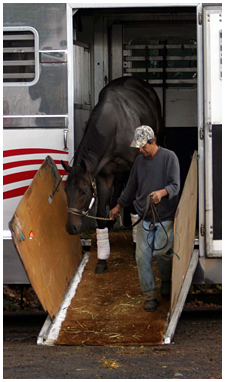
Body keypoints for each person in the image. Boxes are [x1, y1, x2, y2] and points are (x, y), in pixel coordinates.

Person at [109, 125, 180, 312]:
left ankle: (166, 279)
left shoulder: (169, 157)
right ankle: (150, 295)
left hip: (165, 216)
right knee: (142, 256)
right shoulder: (139, 163)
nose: (140, 150)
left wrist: (162, 193)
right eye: (139, 147)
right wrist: (118, 206)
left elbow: (175, 185)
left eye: (143, 146)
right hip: (144, 216)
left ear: (153, 141)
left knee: (163, 252)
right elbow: (131, 187)